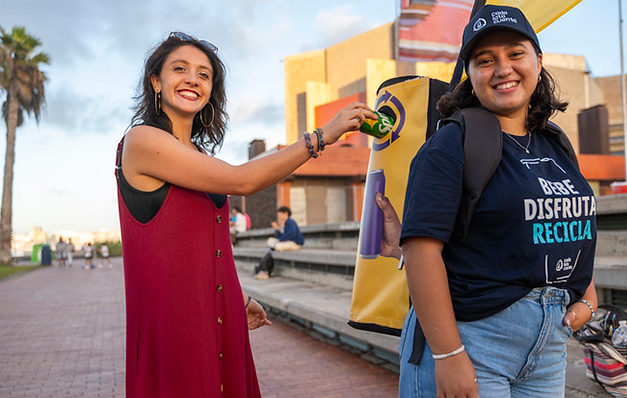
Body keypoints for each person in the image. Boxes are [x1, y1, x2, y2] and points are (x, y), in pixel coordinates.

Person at [116, 32, 375, 398]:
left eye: (204, 75)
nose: (193, 79)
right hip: (175, 327)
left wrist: (236, 300)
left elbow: (207, 247)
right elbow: (242, 180)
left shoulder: (199, 159)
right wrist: (321, 136)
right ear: (156, 81)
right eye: (180, 69)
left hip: (217, 318)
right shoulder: (141, 141)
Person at [392, 6, 598, 397]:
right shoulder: (452, 143)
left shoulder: (555, 143)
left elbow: (572, 224)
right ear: (471, 74)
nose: (503, 68)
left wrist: (588, 298)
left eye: (515, 53)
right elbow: (420, 250)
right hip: (473, 341)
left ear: (538, 60)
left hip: (547, 349)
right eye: (485, 60)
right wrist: (449, 354)